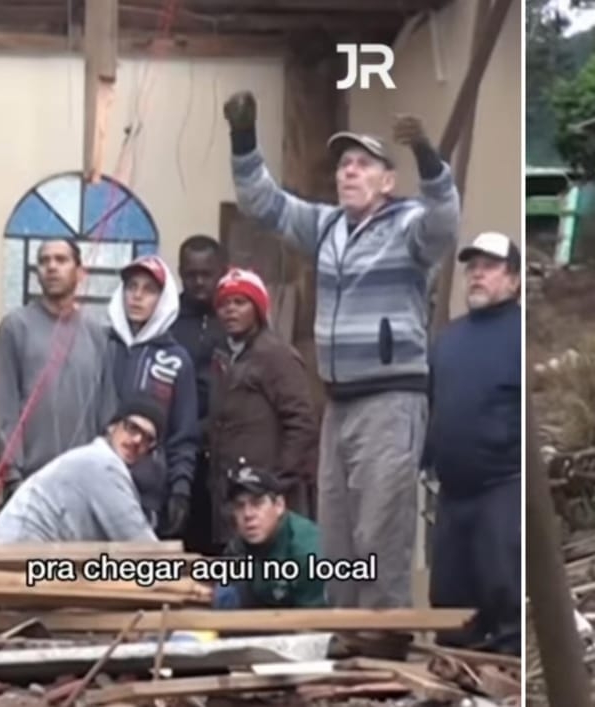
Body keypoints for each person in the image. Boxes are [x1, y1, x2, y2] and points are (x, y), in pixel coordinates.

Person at [224, 90, 461, 609]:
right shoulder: (327, 226)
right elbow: (262, 203)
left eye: (362, 164)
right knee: (339, 534)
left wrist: (426, 154)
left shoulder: (408, 226)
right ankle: (350, 637)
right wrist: (243, 138)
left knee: (381, 530)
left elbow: (445, 219)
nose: (348, 172)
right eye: (343, 165)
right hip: (338, 401)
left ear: (387, 181)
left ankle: (384, 648)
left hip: (390, 402)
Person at [423, 232, 523, 656]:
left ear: (514, 280)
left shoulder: (521, 333)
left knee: (502, 592)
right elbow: (433, 405)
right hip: (451, 493)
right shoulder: (448, 339)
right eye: (472, 266)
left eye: (491, 266)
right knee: (449, 598)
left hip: (502, 485)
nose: (477, 274)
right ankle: (455, 678)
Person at [0, 238, 109, 504]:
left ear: (80, 272)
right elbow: (2, 410)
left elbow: (105, 413)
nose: (51, 267)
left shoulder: (96, 334)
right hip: (29, 483)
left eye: (61, 260)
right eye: (44, 261)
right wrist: (12, 478)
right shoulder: (15, 328)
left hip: (84, 484)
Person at [208, 268, 318, 552]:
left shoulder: (276, 355)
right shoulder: (226, 357)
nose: (230, 310)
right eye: (223, 304)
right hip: (235, 498)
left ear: (257, 308)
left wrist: (276, 482)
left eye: (240, 302)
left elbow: (302, 423)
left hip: (269, 501)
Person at [104, 255, 199, 537]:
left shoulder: (176, 360)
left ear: (164, 297)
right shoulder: (101, 346)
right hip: (95, 481)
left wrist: (180, 489)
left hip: (146, 494)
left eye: (149, 290)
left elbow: (185, 434)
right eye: (131, 287)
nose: (137, 296)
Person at [0, 398, 163, 543]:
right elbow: (140, 545)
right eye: (132, 428)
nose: (137, 440)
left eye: (147, 439)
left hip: (22, 559)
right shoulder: (102, 465)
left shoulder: (98, 461)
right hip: (14, 561)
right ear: (112, 427)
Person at [170, 235, 228, 554]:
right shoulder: (167, 319)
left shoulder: (236, 316)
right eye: (191, 275)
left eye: (207, 274)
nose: (199, 282)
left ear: (221, 271)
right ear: (181, 273)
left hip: (222, 451)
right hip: (177, 450)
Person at [212, 466, 327, 609]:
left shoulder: (307, 551)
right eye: (240, 506)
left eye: (257, 503)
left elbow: (317, 624)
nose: (248, 514)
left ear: (279, 506)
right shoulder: (238, 546)